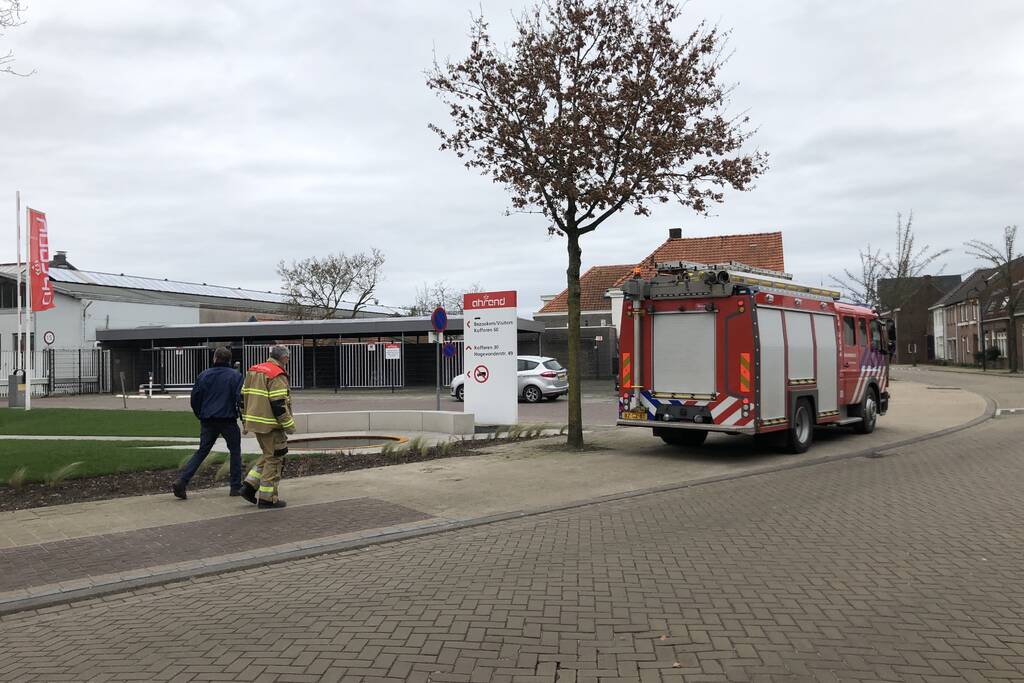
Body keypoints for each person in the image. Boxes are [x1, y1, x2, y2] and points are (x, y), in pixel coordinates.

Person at [172, 346, 244, 499]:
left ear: (215, 358)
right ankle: (235, 486)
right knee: (235, 452)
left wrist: (201, 414)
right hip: (228, 419)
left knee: (202, 451)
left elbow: (195, 399)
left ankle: (182, 481)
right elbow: (240, 399)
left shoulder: (204, 375)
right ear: (229, 360)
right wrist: (243, 419)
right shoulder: (236, 376)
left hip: (208, 419)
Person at [239, 345, 295, 509]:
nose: (288, 360)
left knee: (268, 454)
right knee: (276, 458)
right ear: (284, 358)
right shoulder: (276, 374)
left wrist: (244, 422)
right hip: (271, 425)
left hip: (256, 423)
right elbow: (279, 404)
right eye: (288, 357)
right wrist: (289, 425)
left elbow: (242, 398)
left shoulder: (254, 370)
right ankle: (268, 498)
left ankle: (249, 486)